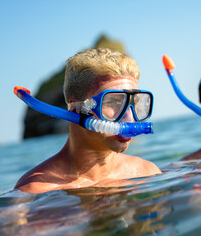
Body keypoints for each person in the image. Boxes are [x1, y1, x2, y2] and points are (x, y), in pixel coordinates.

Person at [15, 48, 161, 193]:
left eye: (134, 103)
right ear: (76, 109)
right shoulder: (35, 192)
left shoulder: (146, 173)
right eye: (113, 102)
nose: (129, 118)